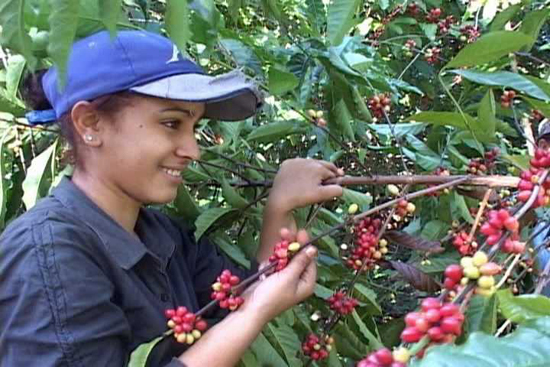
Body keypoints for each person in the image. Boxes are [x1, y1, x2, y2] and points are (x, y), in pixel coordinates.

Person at [0, 30, 344, 366]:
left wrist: (280, 206)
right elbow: (250, 309)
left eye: (193, 127)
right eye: (170, 124)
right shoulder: (48, 256)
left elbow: (240, 298)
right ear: (90, 123)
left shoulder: (163, 236)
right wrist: (255, 313)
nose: (193, 150)